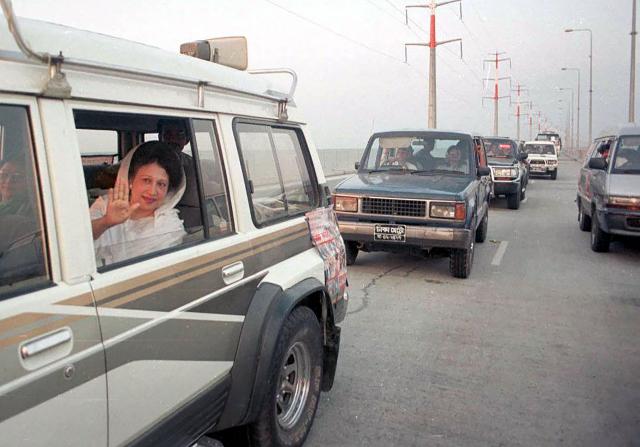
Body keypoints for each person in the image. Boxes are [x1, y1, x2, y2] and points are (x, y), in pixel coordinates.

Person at [90, 141, 186, 265]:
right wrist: (106, 222)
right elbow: (75, 242)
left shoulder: (169, 225)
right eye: (146, 180)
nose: (152, 191)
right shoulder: (105, 205)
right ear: (130, 180)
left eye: (161, 184)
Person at [157, 119, 201, 228]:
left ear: (187, 140)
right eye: (168, 134)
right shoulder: (149, 164)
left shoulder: (194, 166)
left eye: (180, 134)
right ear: (160, 137)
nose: (173, 139)